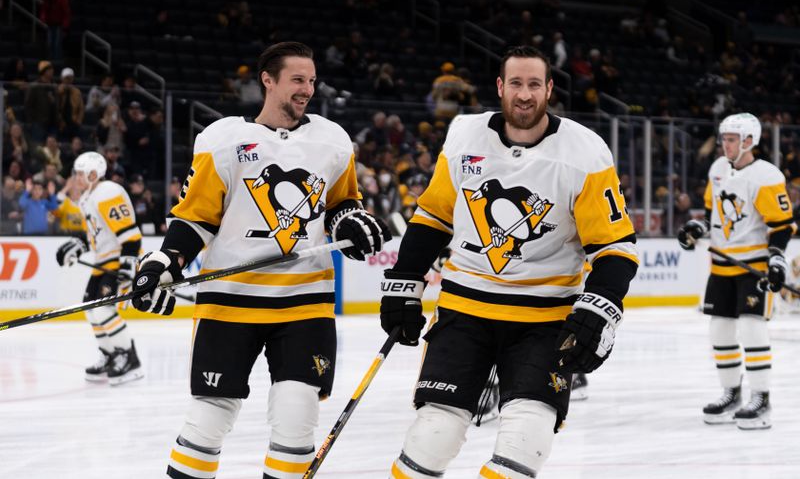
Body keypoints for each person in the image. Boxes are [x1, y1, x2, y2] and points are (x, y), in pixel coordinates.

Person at [129, 41, 390, 479]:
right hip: (229, 301)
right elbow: (195, 218)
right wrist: (165, 263)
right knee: (209, 418)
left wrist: (353, 223)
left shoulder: (333, 141)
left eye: (311, 80)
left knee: (296, 416)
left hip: (305, 301)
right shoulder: (223, 139)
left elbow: (343, 204)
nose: (307, 89)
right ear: (267, 80)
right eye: (297, 80)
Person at [380, 46, 638, 478]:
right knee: (434, 433)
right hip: (465, 310)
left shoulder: (585, 151)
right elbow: (433, 215)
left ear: (549, 89)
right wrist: (404, 281)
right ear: (500, 87)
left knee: (527, 439)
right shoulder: (464, 135)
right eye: (515, 83)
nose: (524, 94)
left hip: (544, 319)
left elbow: (616, 247)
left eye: (534, 84)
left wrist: (600, 307)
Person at [678, 112, 796, 430]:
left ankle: (761, 397)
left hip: (752, 267)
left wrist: (776, 259)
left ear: (748, 141)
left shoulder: (767, 175)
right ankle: (731, 393)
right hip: (721, 266)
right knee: (720, 330)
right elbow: (708, 214)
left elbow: (782, 226)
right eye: (724, 139)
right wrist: (695, 228)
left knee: (752, 327)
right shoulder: (718, 169)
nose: (724, 145)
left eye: (731, 139)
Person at [55, 151, 144, 385]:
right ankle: (110, 354)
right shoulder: (88, 197)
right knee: (91, 310)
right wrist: (78, 246)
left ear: (94, 174)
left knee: (105, 311)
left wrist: (128, 268)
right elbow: (96, 234)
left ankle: (129, 358)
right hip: (101, 262)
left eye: (80, 173)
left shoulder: (108, 193)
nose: (76, 178)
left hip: (116, 260)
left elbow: (131, 236)